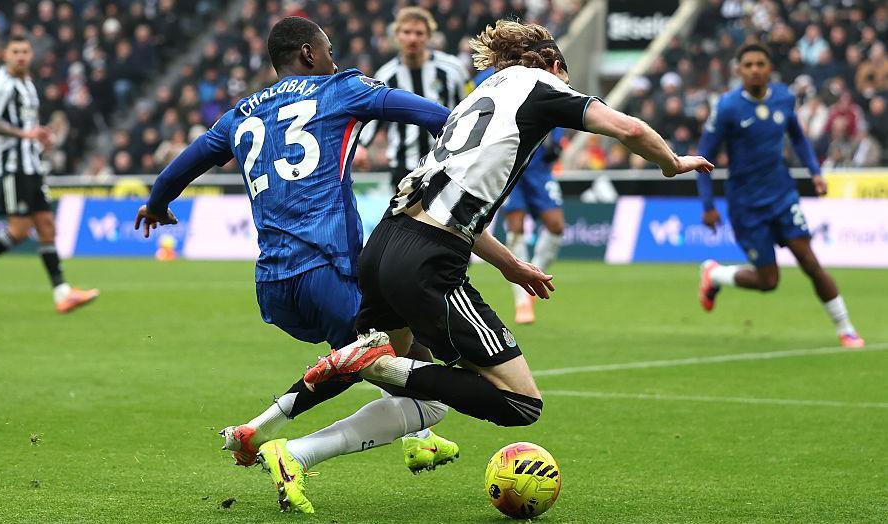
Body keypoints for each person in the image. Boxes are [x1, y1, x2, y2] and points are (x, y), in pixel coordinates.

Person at [300, 18, 712, 501]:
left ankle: (283, 436)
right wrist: (672, 163)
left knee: (419, 381)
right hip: (428, 260)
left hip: (387, 241)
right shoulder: (543, 85)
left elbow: (452, 203)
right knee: (519, 402)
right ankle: (380, 366)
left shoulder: (480, 94)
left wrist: (509, 265)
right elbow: (628, 127)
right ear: (556, 66)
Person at [134, 17, 458, 514]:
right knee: (405, 373)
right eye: (327, 49)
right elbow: (435, 116)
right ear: (309, 53)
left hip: (273, 285)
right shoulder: (341, 89)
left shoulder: (240, 114)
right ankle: (267, 436)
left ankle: (420, 438)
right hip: (327, 267)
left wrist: (157, 203)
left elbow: (185, 162)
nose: (333, 57)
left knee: (397, 339)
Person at [696, 43, 864, 349]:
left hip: (782, 196)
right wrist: (708, 206)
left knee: (810, 262)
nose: (755, 69)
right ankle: (715, 274)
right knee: (768, 282)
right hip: (746, 205)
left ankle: (846, 329)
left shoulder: (784, 98)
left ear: (769, 68)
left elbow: (798, 137)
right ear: (738, 70)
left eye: (761, 63)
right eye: (748, 65)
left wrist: (815, 172)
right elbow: (704, 156)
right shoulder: (728, 107)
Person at [0, 35, 98, 313]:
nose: (20, 56)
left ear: (31, 55)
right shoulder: (1, 83)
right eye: (15, 51)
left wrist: (39, 134)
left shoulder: (27, 83)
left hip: (31, 165)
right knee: (19, 230)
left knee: (47, 226)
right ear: (5, 55)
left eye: (25, 51)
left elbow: (26, 124)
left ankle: (62, 293)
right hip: (11, 166)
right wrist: (24, 134)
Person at [474, 66, 565, 324]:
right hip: (509, 163)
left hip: (539, 167)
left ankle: (535, 273)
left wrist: (556, 140)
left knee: (556, 226)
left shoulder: (540, 71)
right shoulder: (486, 77)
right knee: (515, 228)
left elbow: (560, 104)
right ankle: (522, 300)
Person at [357, 7, 472, 191]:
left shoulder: (453, 69)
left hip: (447, 163)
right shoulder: (387, 76)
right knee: (403, 220)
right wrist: (361, 146)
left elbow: (472, 106)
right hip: (403, 166)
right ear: (397, 35)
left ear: (429, 36)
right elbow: (372, 117)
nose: (413, 38)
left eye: (419, 33)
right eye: (407, 32)